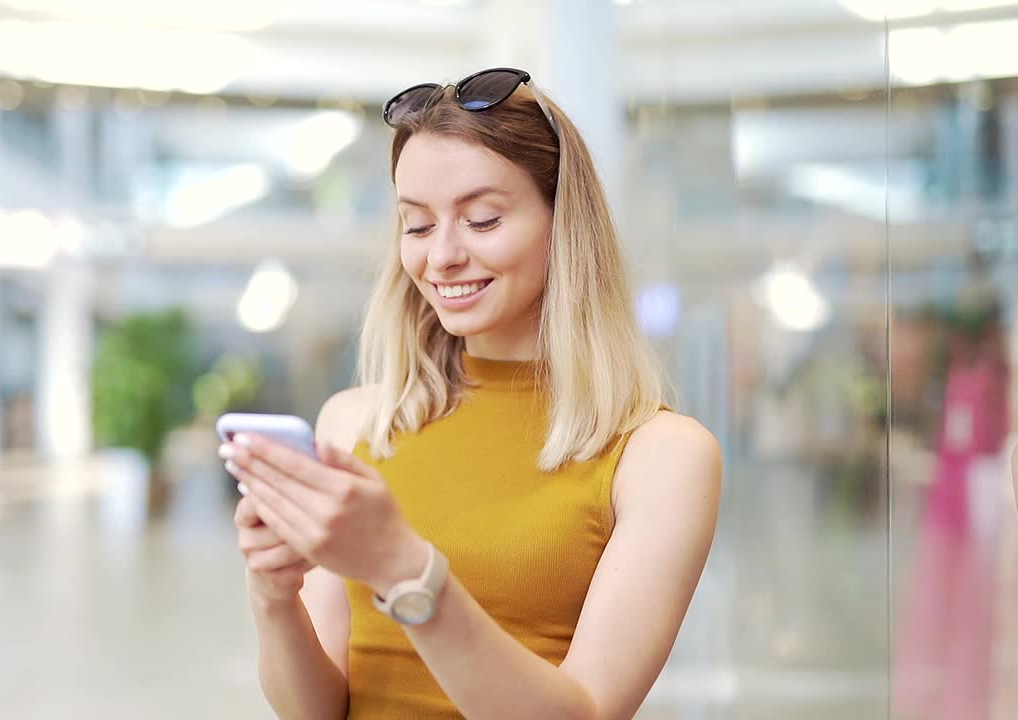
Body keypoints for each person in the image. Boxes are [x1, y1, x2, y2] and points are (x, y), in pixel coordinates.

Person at [218, 67, 722, 720]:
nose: (442, 256)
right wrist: (272, 596)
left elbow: (586, 712)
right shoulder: (357, 423)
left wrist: (406, 570)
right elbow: (315, 710)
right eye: (418, 226)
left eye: (482, 220)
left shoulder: (662, 455)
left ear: (561, 222)